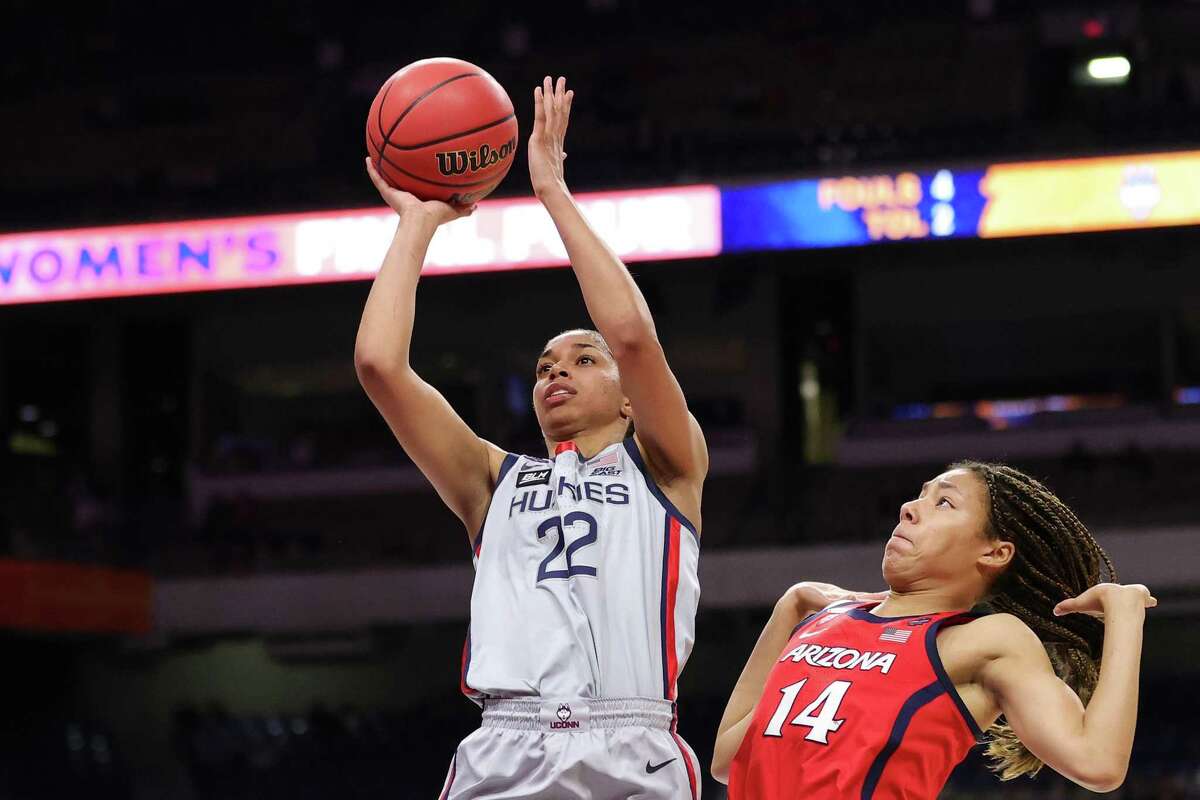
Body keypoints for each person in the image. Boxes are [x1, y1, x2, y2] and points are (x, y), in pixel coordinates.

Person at [355, 75, 708, 799]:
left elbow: (634, 335)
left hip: (631, 744)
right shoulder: (494, 480)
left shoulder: (666, 468)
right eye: (545, 365)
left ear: (630, 399)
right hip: (504, 748)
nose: (558, 372)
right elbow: (379, 366)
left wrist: (551, 190)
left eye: (584, 360)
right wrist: (416, 225)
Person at [712, 460, 1155, 798]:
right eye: (919, 496)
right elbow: (727, 761)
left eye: (943, 502)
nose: (909, 508)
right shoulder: (822, 623)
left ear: (994, 553)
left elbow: (1098, 763)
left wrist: (1125, 616)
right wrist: (790, 606)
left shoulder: (985, 639)